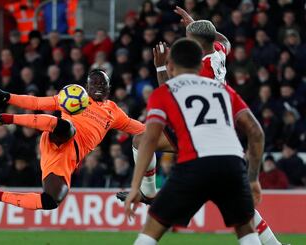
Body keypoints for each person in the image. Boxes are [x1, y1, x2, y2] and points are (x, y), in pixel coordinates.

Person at [121, 7, 287, 245]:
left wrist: (159, 67)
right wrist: (195, 24)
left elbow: (170, 93)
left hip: (194, 143)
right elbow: (224, 40)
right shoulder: (219, 55)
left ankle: (147, 190)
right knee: (245, 219)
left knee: (140, 141)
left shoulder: (199, 73)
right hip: (228, 150)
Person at [0, 69, 145, 211]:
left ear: (109, 87)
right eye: (94, 83)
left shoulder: (114, 112)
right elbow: (36, 103)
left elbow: (140, 128)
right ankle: (3, 118)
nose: (98, 86)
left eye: (102, 83)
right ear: (87, 87)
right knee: (67, 127)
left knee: (51, 201)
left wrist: (160, 128)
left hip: (68, 158)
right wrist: (7, 96)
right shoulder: (73, 96)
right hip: (58, 137)